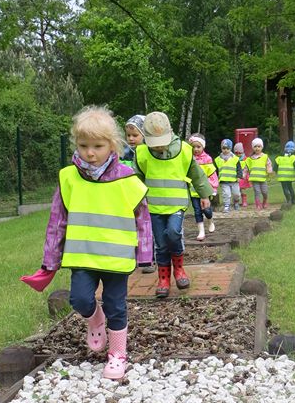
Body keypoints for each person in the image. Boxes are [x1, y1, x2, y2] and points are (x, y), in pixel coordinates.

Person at [20, 106, 153, 380]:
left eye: (97, 146)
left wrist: (145, 254)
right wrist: (50, 262)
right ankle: (95, 319)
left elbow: (143, 218)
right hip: (82, 255)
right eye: (83, 146)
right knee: (79, 299)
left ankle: (117, 354)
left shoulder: (127, 178)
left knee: (116, 305)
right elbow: (56, 222)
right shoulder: (68, 178)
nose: (90, 153)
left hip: (116, 258)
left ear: (112, 145)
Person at [134, 112, 214, 298]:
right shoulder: (142, 153)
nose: (158, 146)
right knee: (161, 244)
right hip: (154, 206)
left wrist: (204, 195)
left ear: (170, 132)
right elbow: (135, 180)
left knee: (173, 233)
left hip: (176, 204)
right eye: (154, 142)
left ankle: (179, 269)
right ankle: (163, 279)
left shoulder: (184, 150)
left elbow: (196, 174)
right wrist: (134, 201)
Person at [188, 133, 218, 240]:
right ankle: (201, 231)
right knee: (197, 211)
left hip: (205, 191)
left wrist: (213, 188)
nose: (196, 149)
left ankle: (210, 220)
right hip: (193, 191)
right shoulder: (189, 159)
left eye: (198, 146)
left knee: (206, 210)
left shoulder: (207, 159)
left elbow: (212, 175)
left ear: (203, 147)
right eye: (193, 147)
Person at [243, 137, 272, 209]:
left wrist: (269, 170)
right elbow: (246, 168)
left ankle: (265, 201)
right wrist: (244, 174)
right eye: (255, 146)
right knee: (257, 191)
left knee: (265, 192)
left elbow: (268, 164)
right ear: (253, 148)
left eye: (259, 146)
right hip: (254, 179)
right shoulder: (250, 159)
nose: (257, 148)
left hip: (263, 178)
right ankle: (258, 204)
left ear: (262, 147)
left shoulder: (265, 156)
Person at [274, 141, 295, 205]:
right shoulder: (293, 158)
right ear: (293, 149)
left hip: (282, 177)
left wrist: (274, 172)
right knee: (290, 188)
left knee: (285, 188)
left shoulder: (279, 157)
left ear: (285, 148)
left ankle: (288, 200)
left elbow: (275, 167)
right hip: (290, 176)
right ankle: (293, 200)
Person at [215, 138, 242, 213]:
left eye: (228, 148)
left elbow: (239, 168)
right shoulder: (218, 159)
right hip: (224, 181)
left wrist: (239, 176)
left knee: (236, 194)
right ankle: (226, 206)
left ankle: (236, 202)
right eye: (224, 148)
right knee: (226, 194)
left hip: (234, 180)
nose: (226, 150)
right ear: (221, 148)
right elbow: (215, 170)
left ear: (230, 149)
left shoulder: (235, 159)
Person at [234, 141, 250, 207]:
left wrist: (244, 175)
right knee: (235, 190)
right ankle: (236, 201)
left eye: (240, 153)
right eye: (236, 153)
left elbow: (247, 167)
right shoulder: (233, 159)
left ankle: (244, 201)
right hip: (236, 176)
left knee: (243, 190)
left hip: (243, 177)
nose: (238, 154)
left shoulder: (245, 159)